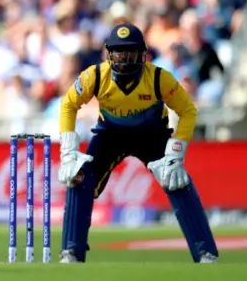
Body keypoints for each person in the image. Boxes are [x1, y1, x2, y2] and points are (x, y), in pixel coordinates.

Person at [57, 23, 218, 263]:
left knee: (177, 180)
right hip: (109, 136)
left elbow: (187, 110)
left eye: (130, 52)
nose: (124, 58)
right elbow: (68, 105)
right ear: (109, 54)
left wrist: (176, 151)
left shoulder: (158, 78)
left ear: (142, 54)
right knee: (78, 176)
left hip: (151, 136)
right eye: (119, 52)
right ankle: (71, 251)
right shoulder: (96, 75)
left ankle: (205, 251)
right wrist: (68, 150)